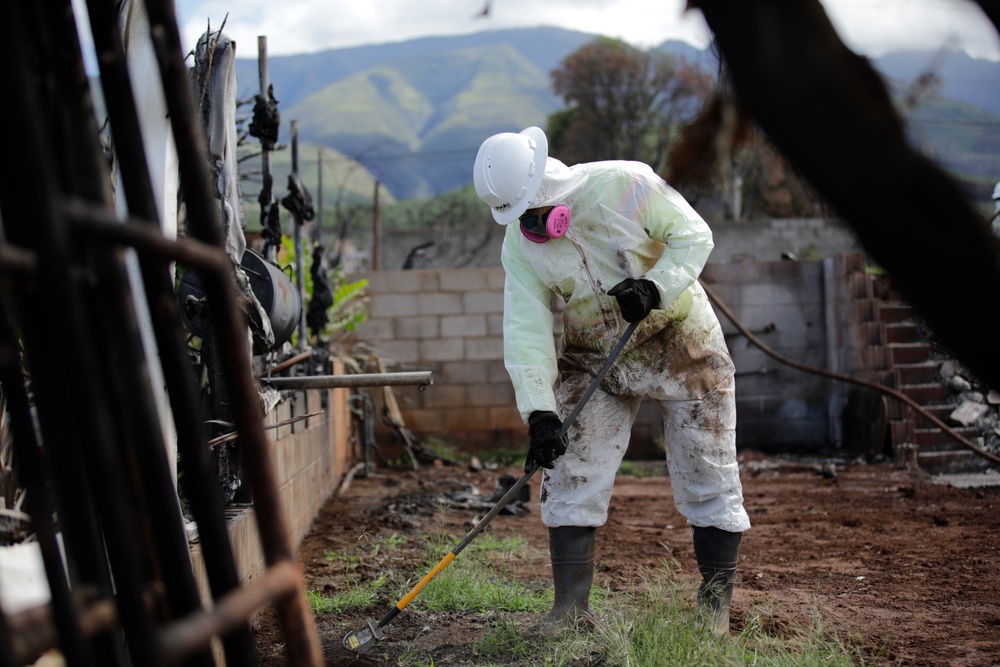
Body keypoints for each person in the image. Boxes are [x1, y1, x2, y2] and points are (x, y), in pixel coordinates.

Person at [472, 126, 751, 636]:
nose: (532, 227)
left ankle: (713, 609)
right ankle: (570, 612)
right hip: (596, 357)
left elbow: (694, 236)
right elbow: (526, 327)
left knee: (708, 470)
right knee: (570, 471)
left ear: (547, 189)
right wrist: (539, 413)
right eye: (519, 220)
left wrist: (654, 285)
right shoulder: (520, 244)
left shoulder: (625, 184)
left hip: (681, 342)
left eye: (535, 215)